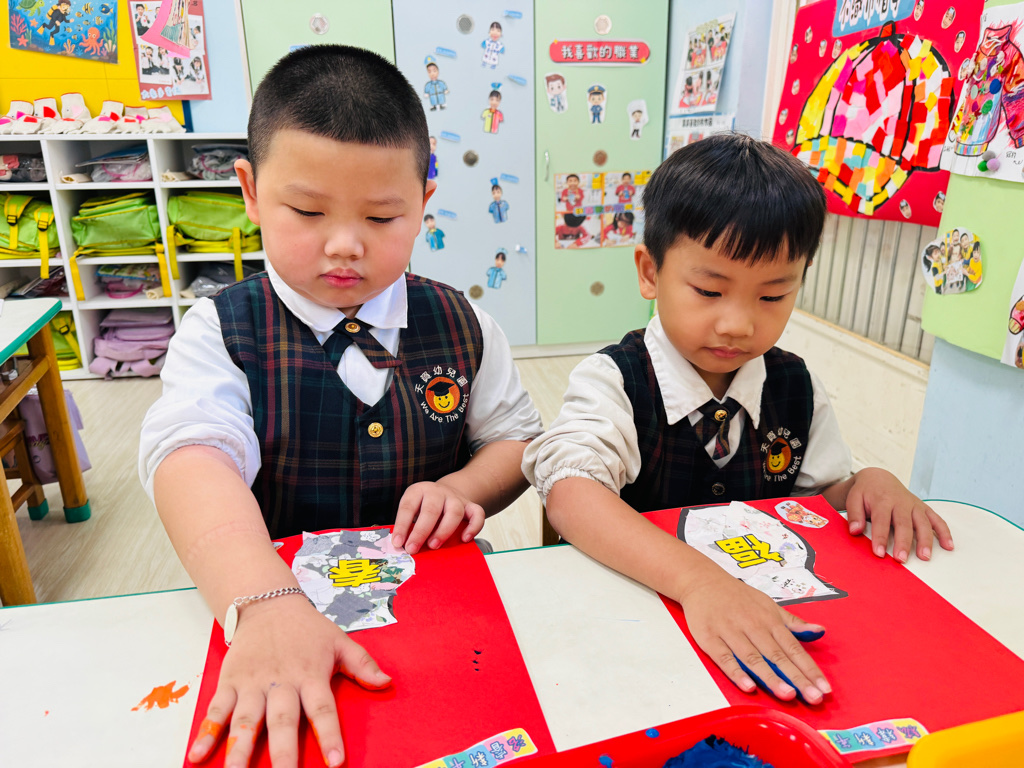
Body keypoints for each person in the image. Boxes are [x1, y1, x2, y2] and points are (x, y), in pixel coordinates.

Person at [139, 45, 542, 768]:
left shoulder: (463, 322)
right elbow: (191, 458)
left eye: (383, 217)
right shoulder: (220, 332)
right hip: (269, 612)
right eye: (307, 211)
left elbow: (515, 440)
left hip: (439, 613)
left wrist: (463, 488)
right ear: (250, 191)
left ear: (424, 200)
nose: (346, 245)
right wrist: (261, 602)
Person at [524, 133, 953, 708]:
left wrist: (866, 485)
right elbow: (571, 494)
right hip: (638, 633)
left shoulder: (794, 385)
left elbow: (818, 499)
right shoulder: (615, 380)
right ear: (649, 272)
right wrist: (697, 581)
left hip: (763, 632)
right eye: (709, 290)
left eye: (772, 297)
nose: (738, 324)